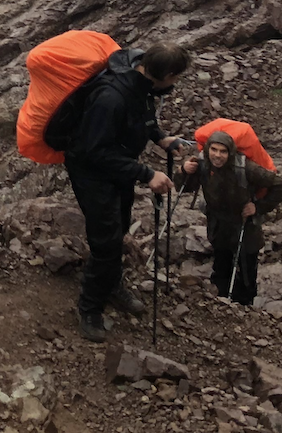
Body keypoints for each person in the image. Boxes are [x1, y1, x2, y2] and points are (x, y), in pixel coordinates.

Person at [63, 42, 191, 341]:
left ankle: (111, 286)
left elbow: (142, 118)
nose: (175, 84)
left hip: (117, 168)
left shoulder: (141, 85)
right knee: (106, 240)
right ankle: (90, 308)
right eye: (176, 78)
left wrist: (160, 138)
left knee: (118, 229)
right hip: (92, 173)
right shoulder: (110, 97)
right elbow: (95, 151)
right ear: (167, 74)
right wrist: (147, 174)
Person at [180, 128, 282, 306]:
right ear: (207, 150)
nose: (218, 155)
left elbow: (280, 185)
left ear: (230, 152)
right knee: (221, 267)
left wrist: (258, 207)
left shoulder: (246, 168)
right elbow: (185, 187)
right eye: (214, 150)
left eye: (223, 151)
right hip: (218, 225)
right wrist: (184, 171)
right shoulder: (202, 164)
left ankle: (245, 308)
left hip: (245, 226)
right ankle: (219, 304)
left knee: (246, 272)